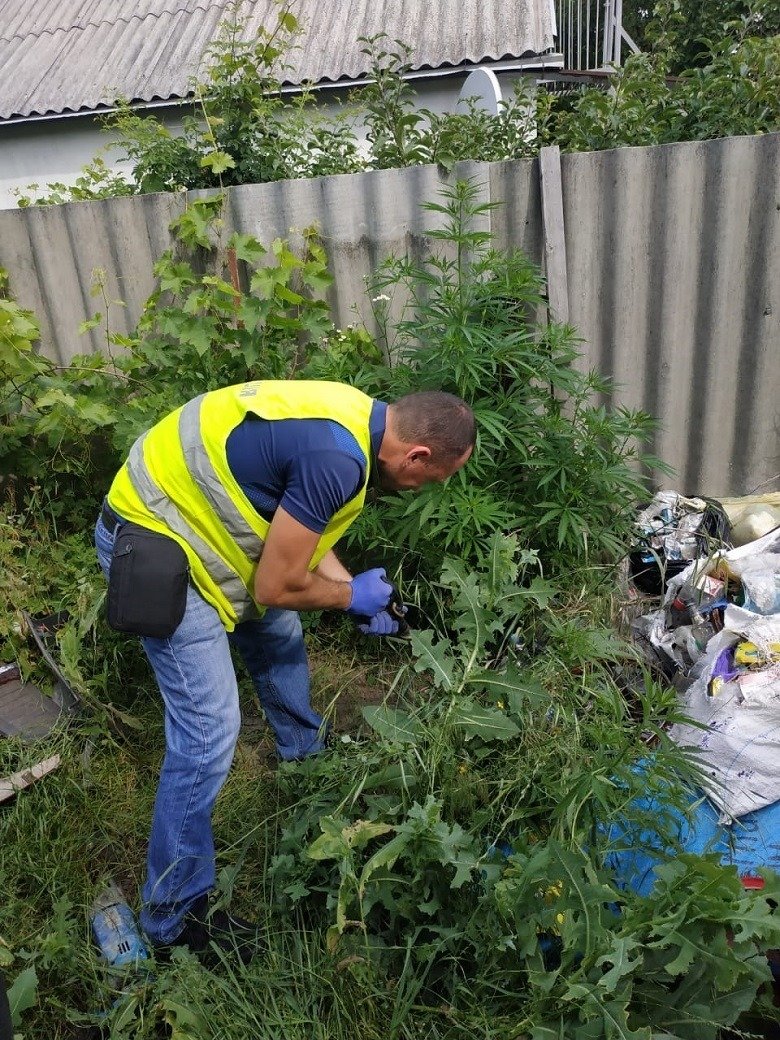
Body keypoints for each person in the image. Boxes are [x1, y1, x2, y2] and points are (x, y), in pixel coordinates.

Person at [94, 379, 474, 961]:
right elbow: (276, 584)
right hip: (157, 540)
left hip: (203, 525)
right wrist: (349, 601)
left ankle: (305, 759)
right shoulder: (338, 459)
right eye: (434, 478)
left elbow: (296, 533)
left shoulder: (356, 423)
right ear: (417, 455)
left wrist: (350, 588)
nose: (428, 489)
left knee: (277, 631)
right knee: (207, 735)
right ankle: (173, 919)